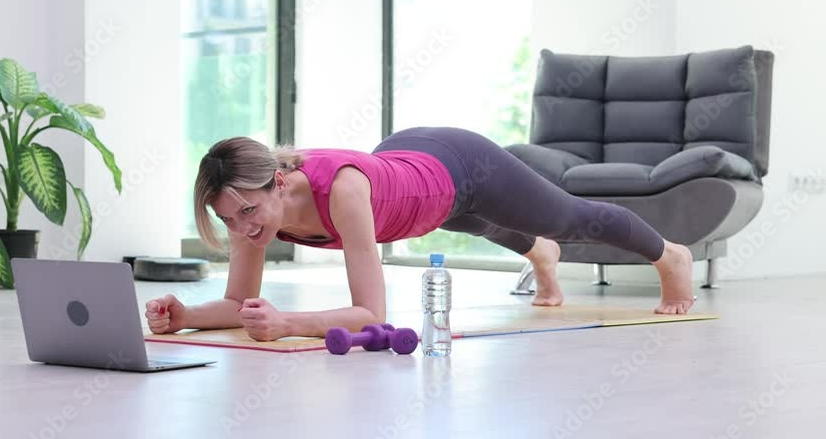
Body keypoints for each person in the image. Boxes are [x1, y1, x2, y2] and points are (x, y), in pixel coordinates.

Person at [145, 127, 695, 341]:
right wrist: (188, 316)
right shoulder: (249, 208)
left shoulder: (343, 191)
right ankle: (540, 257)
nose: (242, 228)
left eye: (247, 212)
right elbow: (238, 302)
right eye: (228, 220)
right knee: (468, 221)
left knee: (566, 218)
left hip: (457, 164)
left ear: (281, 182)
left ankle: (671, 257)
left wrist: (289, 323)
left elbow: (371, 315)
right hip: (414, 182)